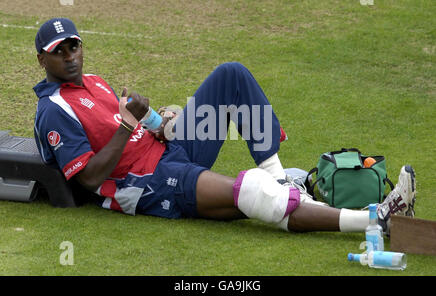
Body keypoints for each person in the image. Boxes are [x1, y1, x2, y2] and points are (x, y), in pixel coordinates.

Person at [33, 18, 416, 235]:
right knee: (252, 194)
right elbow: (88, 178)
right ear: (42, 60)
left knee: (231, 75)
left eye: (74, 46)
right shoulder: (53, 109)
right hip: (145, 179)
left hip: (169, 147)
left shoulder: (95, 81)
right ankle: (375, 220)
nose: (69, 56)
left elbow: (133, 127)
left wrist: (158, 121)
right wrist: (128, 124)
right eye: (59, 51)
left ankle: (278, 175)